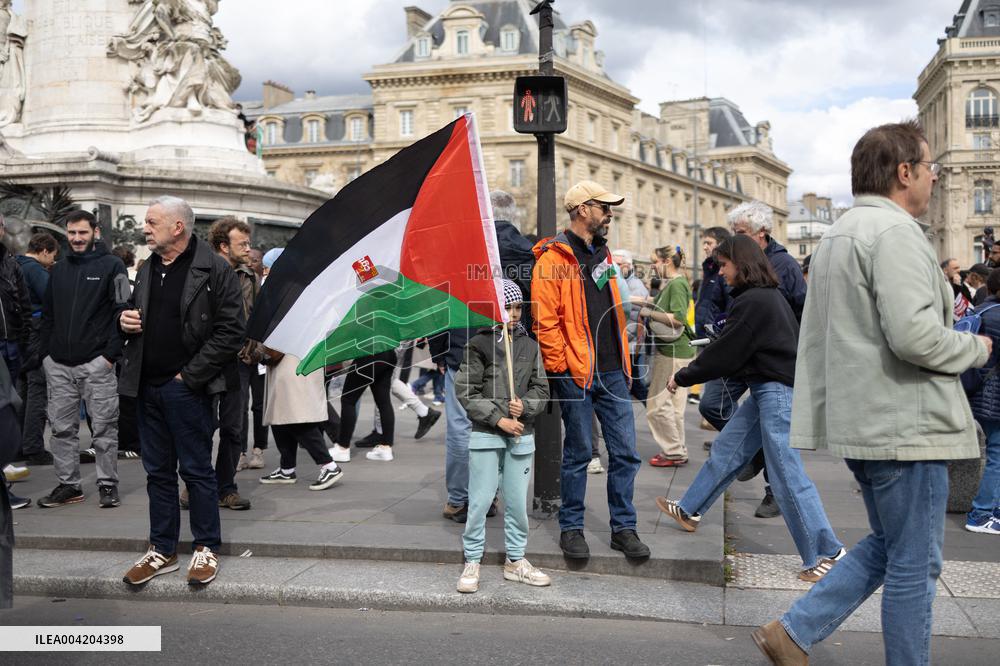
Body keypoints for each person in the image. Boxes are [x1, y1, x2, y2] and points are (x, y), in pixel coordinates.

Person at [752, 121, 990, 666]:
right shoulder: (896, 234)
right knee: (914, 564)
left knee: (889, 547)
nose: (934, 179)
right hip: (905, 424)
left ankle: (793, 632)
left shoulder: (839, 233)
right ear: (904, 173)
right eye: (931, 168)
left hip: (864, 422)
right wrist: (978, 348)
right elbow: (915, 337)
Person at [655, 235, 844, 585]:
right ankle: (690, 509)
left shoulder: (754, 301)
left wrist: (682, 377)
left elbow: (727, 352)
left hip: (775, 393)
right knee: (727, 450)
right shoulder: (765, 297)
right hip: (768, 389)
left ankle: (827, 552)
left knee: (788, 476)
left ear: (741, 264)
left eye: (724, 265)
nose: (722, 273)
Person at [119, 196, 245, 587]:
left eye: (152, 221)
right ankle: (163, 549)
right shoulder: (147, 267)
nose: (145, 227)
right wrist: (122, 320)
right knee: (157, 473)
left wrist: (190, 376)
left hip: (187, 388)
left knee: (196, 471)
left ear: (178, 227)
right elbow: (133, 313)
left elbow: (232, 331)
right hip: (147, 386)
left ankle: (206, 547)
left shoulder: (213, 269)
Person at [532, 180, 649, 560]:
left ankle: (623, 528)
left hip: (613, 370)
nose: (609, 213)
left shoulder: (604, 254)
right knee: (579, 453)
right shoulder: (552, 259)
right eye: (604, 206)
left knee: (626, 453)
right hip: (576, 373)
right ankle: (571, 528)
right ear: (583, 209)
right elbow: (545, 322)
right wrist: (561, 367)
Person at [455, 280, 551, 593]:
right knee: (480, 500)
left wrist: (524, 407)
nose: (513, 313)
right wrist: (499, 419)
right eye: (507, 307)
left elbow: (542, 389)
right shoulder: (479, 344)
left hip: (522, 435)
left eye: (517, 307)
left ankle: (515, 560)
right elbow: (466, 391)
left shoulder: (530, 345)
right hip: (486, 434)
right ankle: (472, 559)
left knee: (516, 504)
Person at [719, 200, 810, 519]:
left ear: (762, 234)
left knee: (778, 436)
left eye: (740, 232)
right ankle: (754, 453)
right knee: (711, 404)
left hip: (774, 360)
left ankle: (774, 491)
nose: (734, 238)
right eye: (732, 232)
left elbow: (801, 310)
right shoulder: (734, 260)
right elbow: (724, 301)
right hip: (743, 353)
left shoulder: (784, 265)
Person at [37, 210, 127, 509]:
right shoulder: (58, 269)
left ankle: (107, 484)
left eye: (82, 233)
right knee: (61, 429)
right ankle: (68, 485)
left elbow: (122, 310)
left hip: (97, 364)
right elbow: (47, 315)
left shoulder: (113, 266)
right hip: (59, 364)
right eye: (72, 233)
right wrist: (46, 355)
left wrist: (110, 356)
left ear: (95, 232)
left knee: (103, 428)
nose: (77, 238)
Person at [205, 216, 256, 510]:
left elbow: (256, 315)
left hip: (239, 363)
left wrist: (255, 350)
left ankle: (226, 487)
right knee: (203, 424)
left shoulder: (249, 276)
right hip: (210, 361)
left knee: (234, 427)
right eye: (243, 243)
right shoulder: (205, 273)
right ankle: (195, 483)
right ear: (224, 245)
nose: (248, 249)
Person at [259, 351, 343, 490]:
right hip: (296, 361)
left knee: (297, 417)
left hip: (292, 362)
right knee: (280, 414)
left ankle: (329, 465)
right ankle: (287, 468)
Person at [643, 245, 695, 467]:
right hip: (679, 351)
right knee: (674, 407)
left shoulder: (677, 284)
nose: (653, 266)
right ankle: (678, 449)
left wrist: (648, 312)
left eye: (655, 261)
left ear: (666, 262)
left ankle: (673, 452)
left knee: (657, 405)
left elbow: (678, 318)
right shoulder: (677, 283)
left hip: (672, 352)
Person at [963, 267, 1000, 535]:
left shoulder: (980, 311)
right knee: (997, 454)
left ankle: (990, 508)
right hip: (995, 396)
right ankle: (981, 512)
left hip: (977, 390)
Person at [15, 232, 57, 466]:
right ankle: (33, 446)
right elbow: (52, 299)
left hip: (18, 335)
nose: (52, 261)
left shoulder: (14, 263)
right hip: (37, 333)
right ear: (44, 251)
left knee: (22, 389)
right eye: (52, 256)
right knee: (38, 388)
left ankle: (18, 444)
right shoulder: (35, 270)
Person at [335, 351, 398, 462]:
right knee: (384, 401)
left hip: (368, 353)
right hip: (388, 352)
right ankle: (386, 448)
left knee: (348, 400)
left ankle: (342, 448)